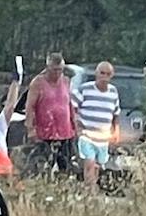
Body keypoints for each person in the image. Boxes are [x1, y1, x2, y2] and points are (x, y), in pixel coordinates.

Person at [73, 61, 121, 193]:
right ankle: (89, 189)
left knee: (98, 166)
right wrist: (77, 125)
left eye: (108, 74)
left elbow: (116, 113)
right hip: (87, 135)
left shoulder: (113, 92)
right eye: (102, 73)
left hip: (103, 137)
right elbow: (72, 106)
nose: (104, 77)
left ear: (112, 76)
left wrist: (116, 131)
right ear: (96, 73)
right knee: (89, 162)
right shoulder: (85, 89)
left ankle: (92, 190)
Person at [25, 52, 76, 175]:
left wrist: (74, 124)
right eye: (54, 70)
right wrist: (30, 129)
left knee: (65, 166)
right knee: (43, 166)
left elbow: (69, 104)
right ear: (48, 68)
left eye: (60, 70)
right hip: (45, 132)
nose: (57, 73)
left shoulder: (65, 81)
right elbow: (30, 107)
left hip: (64, 132)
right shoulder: (38, 83)